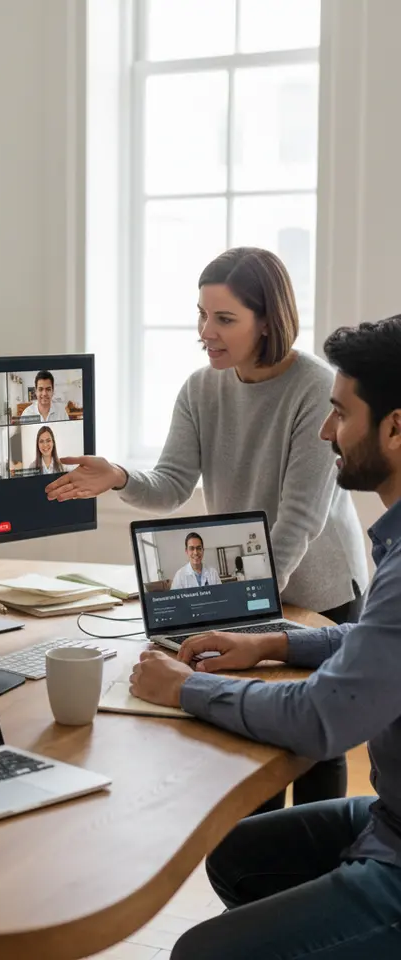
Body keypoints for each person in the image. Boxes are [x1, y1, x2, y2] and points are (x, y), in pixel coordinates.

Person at [45, 247, 369, 809]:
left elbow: (299, 520)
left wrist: (247, 613)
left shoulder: (315, 388)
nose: (205, 332)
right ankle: (257, 866)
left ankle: (316, 864)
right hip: (245, 588)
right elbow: (171, 483)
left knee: (316, 744)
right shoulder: (201, 388)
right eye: (201, 315)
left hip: (319, 590)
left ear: (267, 320)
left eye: (224, 319)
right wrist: (118, 475)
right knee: (246, 730)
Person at [130, 316, 401, 960]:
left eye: (340, 414)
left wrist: (186, 689)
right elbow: (375, 646)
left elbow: (321, 717)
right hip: (389, 818)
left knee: (200, 952)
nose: (325, 430)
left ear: (396, 428)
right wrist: (273, 644)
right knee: (238, 853)